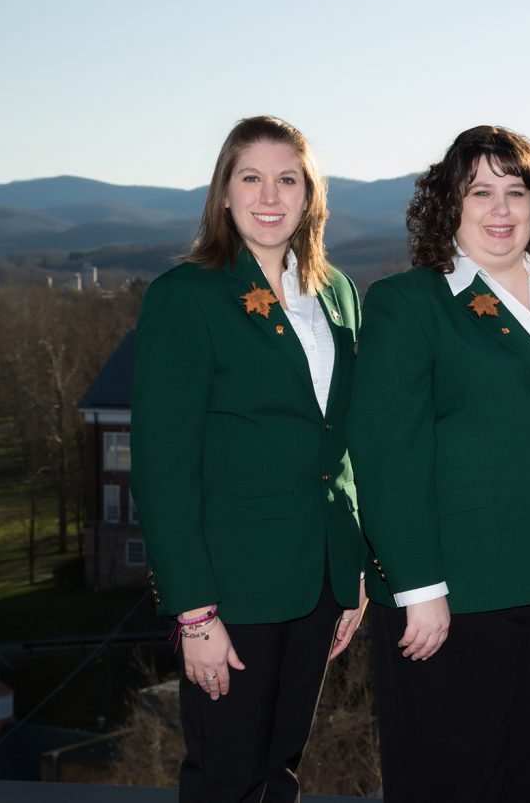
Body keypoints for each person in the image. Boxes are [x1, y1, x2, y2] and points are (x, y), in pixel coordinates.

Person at [346, 125, 530, 802]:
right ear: (448, 206)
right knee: (456, 780)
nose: (501, 209)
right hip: (458, 595)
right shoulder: (412, 304)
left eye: (517, 191)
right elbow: (385, 456)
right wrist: (417, 587)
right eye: (481, 191)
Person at [130, 115, 368, 803]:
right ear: (225, 193)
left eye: (287, 178)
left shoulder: (338, 294)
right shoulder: (187, 297)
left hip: (320, 579)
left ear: (310, 195)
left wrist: (348, 570)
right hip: (232, 588)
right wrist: (194, 613)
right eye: (252, 177)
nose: (271, 194)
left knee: (280, 772)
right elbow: (162, 469)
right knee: (227, 778)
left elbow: (342, 440)